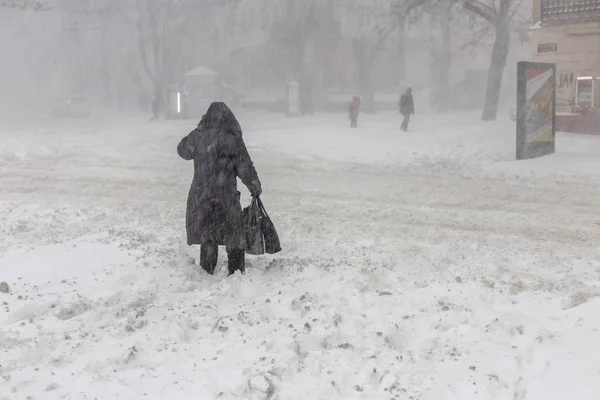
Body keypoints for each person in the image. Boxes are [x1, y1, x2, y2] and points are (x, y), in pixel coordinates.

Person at [177, 102, 262, 276]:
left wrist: (199, 130)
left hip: (201, 195)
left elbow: (182, 150)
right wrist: (254, 186)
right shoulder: (231, 138)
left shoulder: (198, 137)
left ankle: (207, 269)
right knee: (234, 231)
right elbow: (244, 166)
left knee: (208, 233)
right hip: (225, 194)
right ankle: (236, 270)